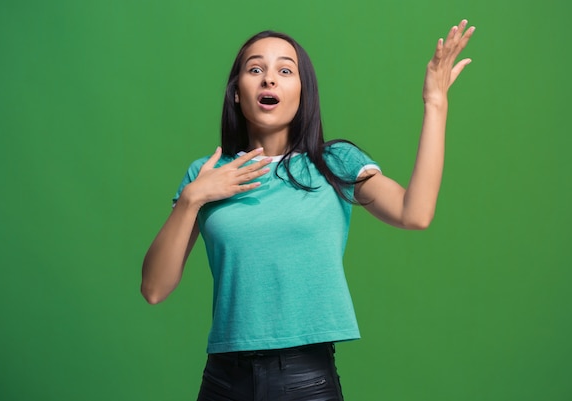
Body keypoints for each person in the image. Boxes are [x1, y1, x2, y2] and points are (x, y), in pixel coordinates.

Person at [141, 20, 475, 401]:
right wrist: (192, 198)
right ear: (236, 93)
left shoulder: (334, 163)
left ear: (302, 92)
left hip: (304, 380)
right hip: (222, 380)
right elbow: (153, 289)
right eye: (255, 69)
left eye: (285, 70)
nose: (269, 79)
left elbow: (414, 213)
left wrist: (435, 104)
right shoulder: (207, 173)